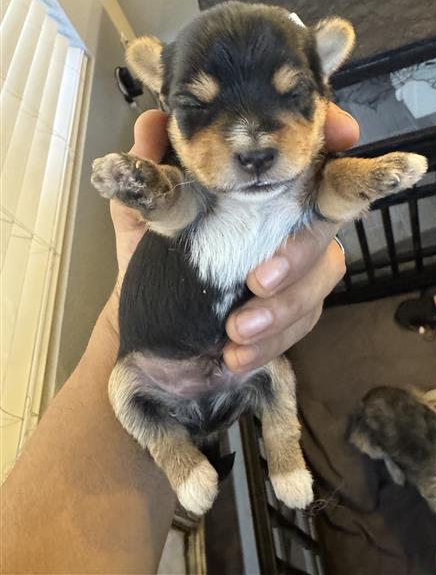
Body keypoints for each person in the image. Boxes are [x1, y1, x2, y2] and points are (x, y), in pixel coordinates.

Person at [1, 104, 359, 574]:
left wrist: (330, 191)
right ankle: (182, 461)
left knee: (274, 377)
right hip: (173, 356)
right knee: (131, 389)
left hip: (230, 356)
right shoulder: (184, 173)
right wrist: (145, 186)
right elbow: (174, 203)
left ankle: (284, 453)